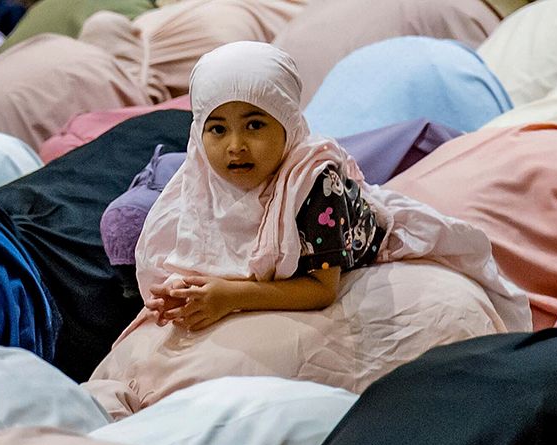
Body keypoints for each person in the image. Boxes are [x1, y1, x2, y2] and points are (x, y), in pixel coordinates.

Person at [137, 40, 525, 334]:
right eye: (217, 128)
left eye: (255, 125)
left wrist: (231, 296)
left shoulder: (316, 185)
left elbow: (321, 288)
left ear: (288, 123)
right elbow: (196, 252)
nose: (235, 145)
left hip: (359, 251)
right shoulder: (201, 177)